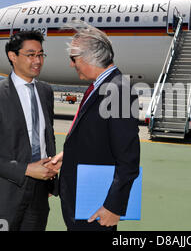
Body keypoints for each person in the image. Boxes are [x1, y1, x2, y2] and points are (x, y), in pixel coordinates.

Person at [47, 23, 140, 231]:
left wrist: (114, 207)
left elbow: (129, 158)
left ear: (91, 57)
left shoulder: (118, 90)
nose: (72, 65)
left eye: (73, 59)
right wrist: (69, 153)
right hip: (85, 202)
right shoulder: (104, 86)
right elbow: (100, 138)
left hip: (97, 208)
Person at [0, 30, 58, 231]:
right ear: (13, 56)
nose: (37, 60)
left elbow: (47, 136)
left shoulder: (46, 92)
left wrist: (51, 167)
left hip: (39, 194)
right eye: (30, 55)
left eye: (40, 54)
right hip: (5, 197)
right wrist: (27, 169)